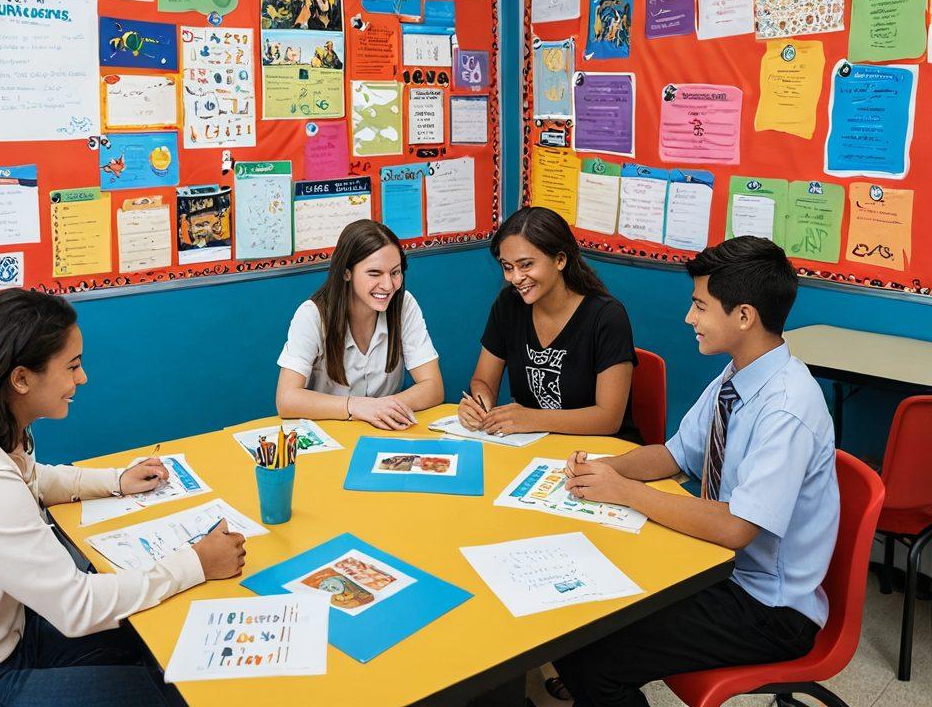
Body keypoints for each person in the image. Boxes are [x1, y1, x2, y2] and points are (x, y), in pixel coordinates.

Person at [0, 290, 246, 707]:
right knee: (168, 695)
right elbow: (76, 607)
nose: (82, 378)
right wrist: (195, 562)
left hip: (8, 634)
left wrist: (115, 481)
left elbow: (30, 479)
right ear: (21, 378)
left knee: (160, 642)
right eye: (72, 366)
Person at [552, 236, 839, 707]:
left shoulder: (787, 409)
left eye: (700, 307)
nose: (690, 319)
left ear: (743, 316)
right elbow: (673, 455)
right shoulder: (736, 377)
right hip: (714, 569)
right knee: (574, 616)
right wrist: (604, 469)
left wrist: (625, 492)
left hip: (767, 606)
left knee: (589, 659)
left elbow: (735, 528)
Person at [459, 206, 638, 440]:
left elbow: (609, 419)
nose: (515, 278)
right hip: (534, 448)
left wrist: (530, 418)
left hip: (601, 453)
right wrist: (479, 404)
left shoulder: (607, 316)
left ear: (560, 260)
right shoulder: (508, 305)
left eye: (526, 265)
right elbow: (483, 380)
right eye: (507, 267)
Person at [276, 220, 443, 430]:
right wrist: (357, 407)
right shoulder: (312, 314)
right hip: (330, 433)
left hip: (385, 432)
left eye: (395, 272)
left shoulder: (404, 304)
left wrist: (381, 408)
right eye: (374, 273)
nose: (388, 285)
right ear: (347, 273)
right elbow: (287, 399)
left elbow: (433, 387)